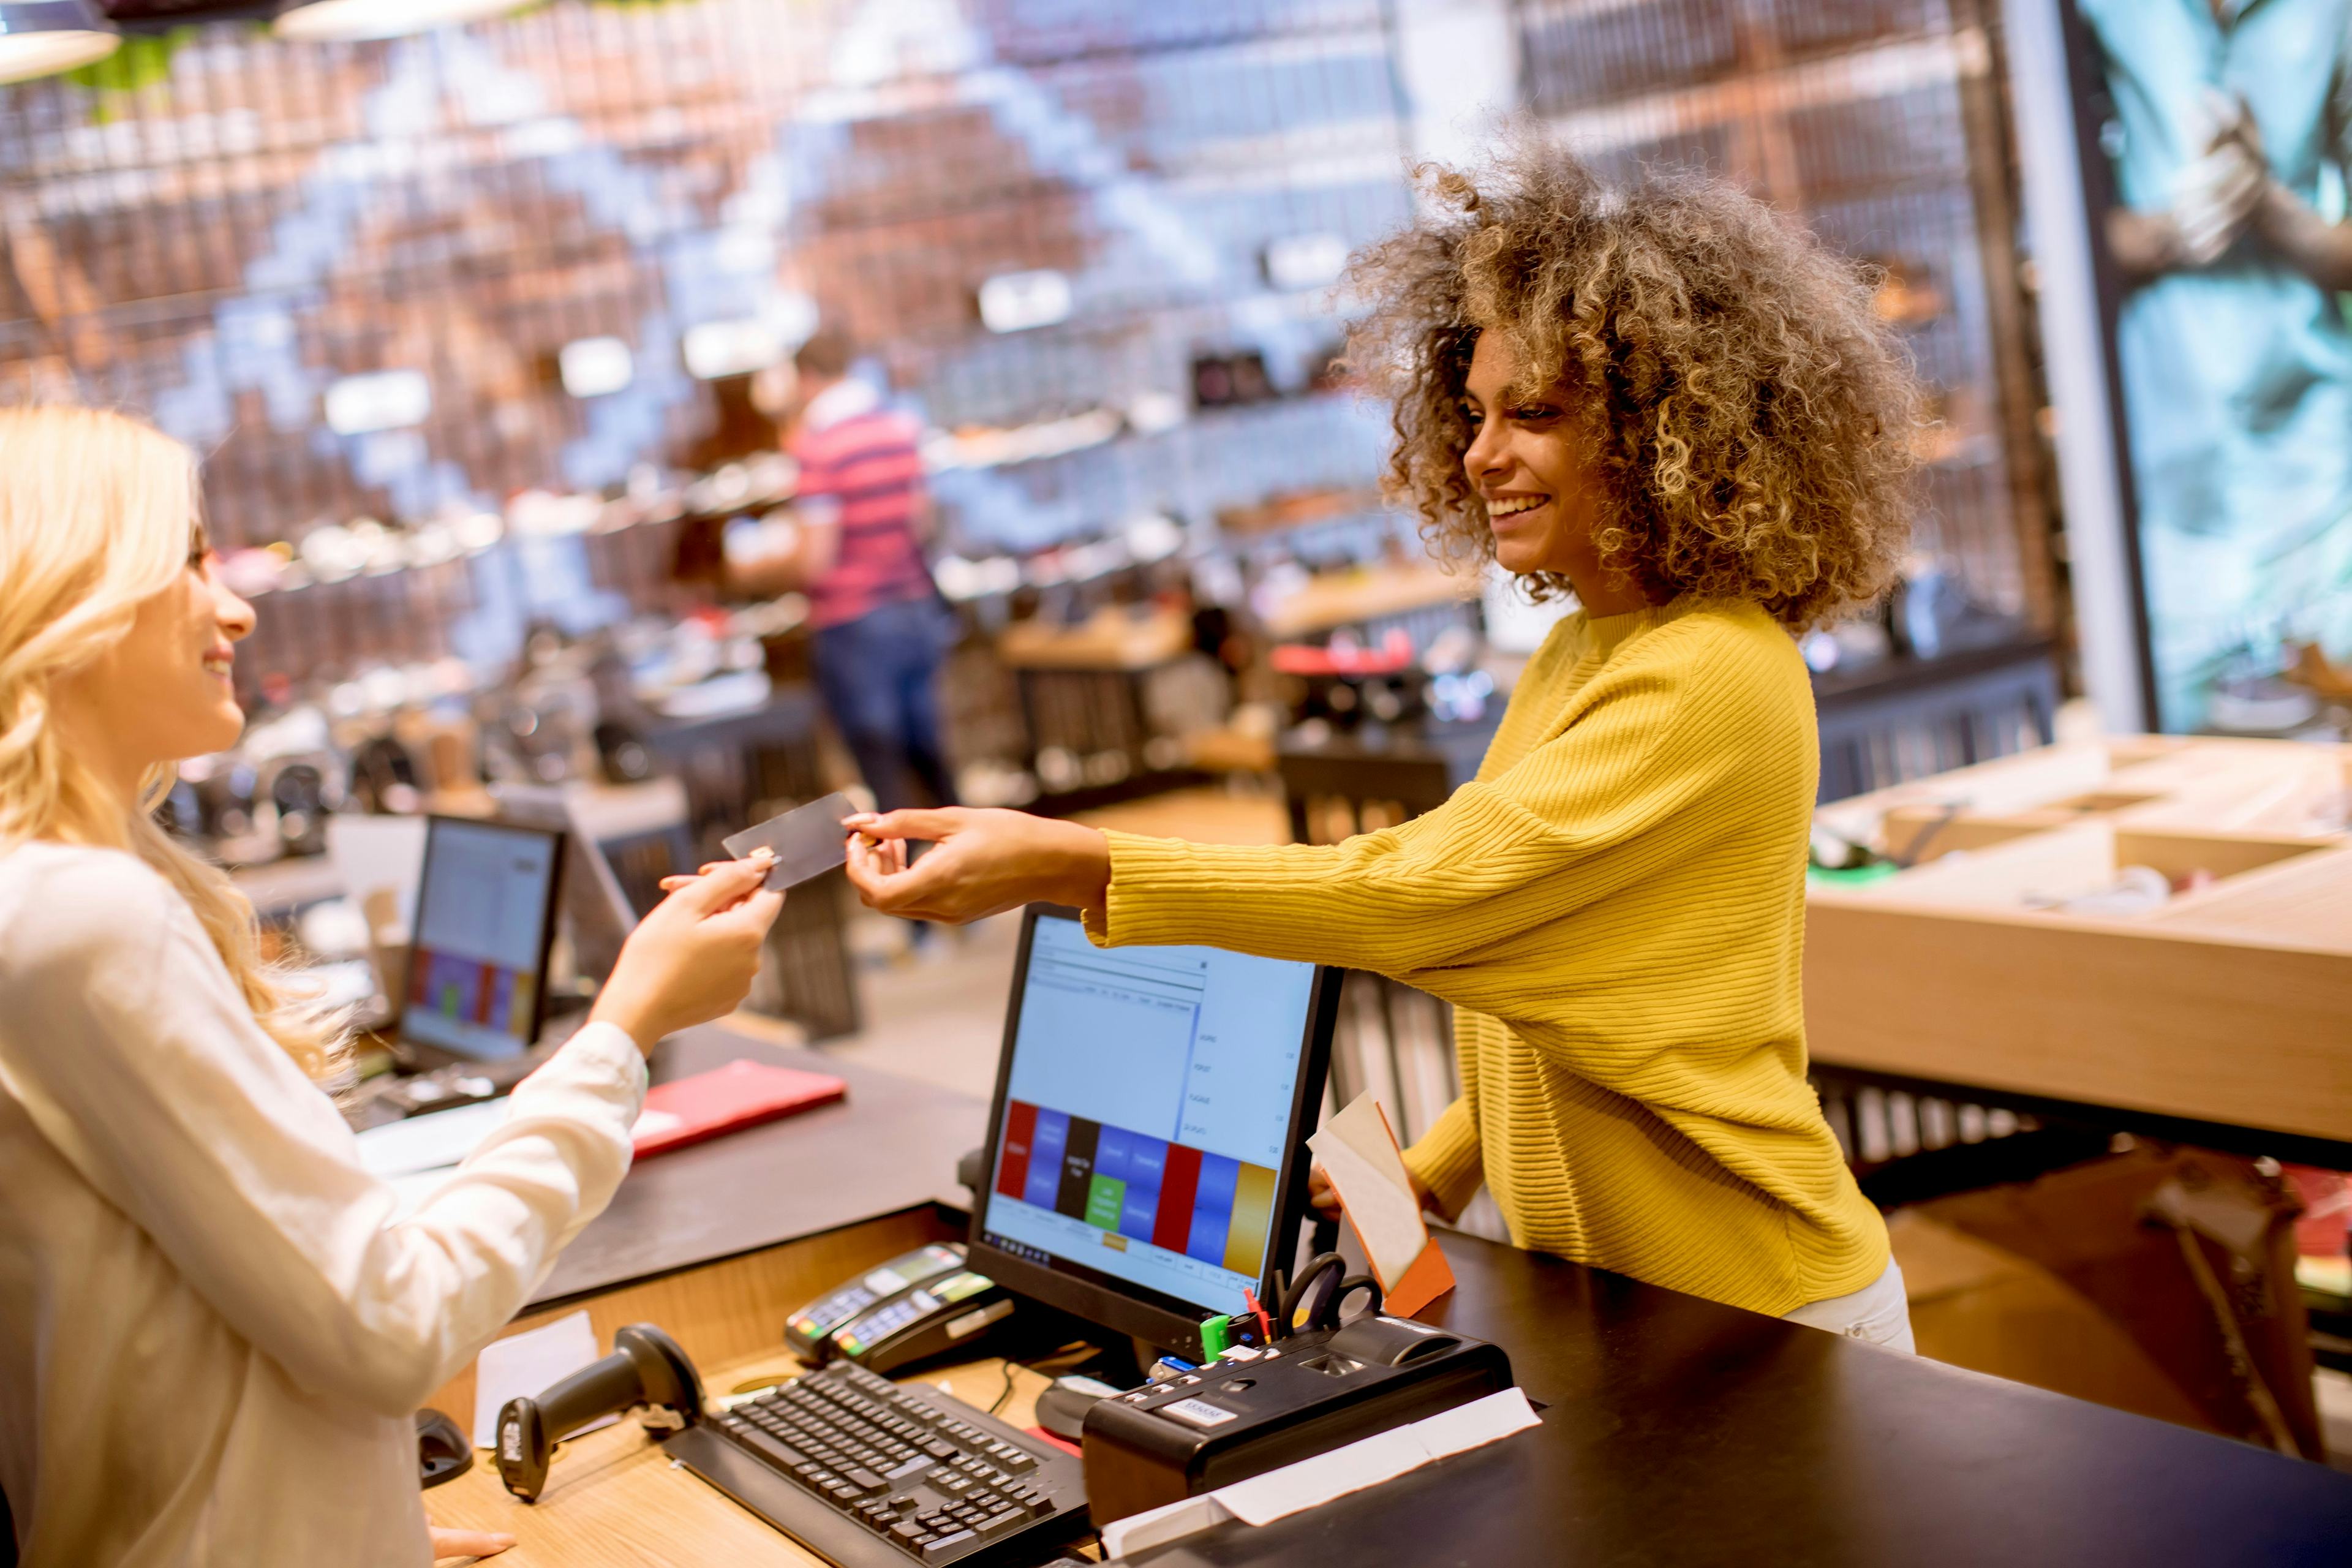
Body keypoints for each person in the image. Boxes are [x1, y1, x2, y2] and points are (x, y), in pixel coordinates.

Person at [837, 145, 1923, 1348]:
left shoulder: (1708, 672)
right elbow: (1579, 989)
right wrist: (1444, 1158)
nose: (1481, 455)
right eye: (1476, 413)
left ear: (1671, 429)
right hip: (1645, 1310)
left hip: (1765, 1308)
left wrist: (1074, 864)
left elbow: (1426, 897)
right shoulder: (1589, 648)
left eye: (1537, 414)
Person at [0, 407, 786, 1567]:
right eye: (187, 559)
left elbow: (173, 1313)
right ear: (72, 591)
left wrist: (347, 1514)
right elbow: (392, 1323)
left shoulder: (54, 896)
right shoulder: (82, 918)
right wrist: (627, 1027)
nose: (236, 606)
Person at [2081, 0, 2352, 729]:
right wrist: (2175, 230)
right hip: (2167, 463)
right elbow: (2052, 229)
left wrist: (2270, 208)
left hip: (2321, 458)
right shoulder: (2098, 14)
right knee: (2178, 768)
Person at [741, 328, 959, 815]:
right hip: (914, 606)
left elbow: (815, 557)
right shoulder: (897, 428)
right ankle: (976, 871)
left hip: (855, 620)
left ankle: (909, 881)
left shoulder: (818, 448)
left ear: (807, 378)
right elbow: (922, 522)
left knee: (881, 767)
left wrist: (754, 570)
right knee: (930, 751)